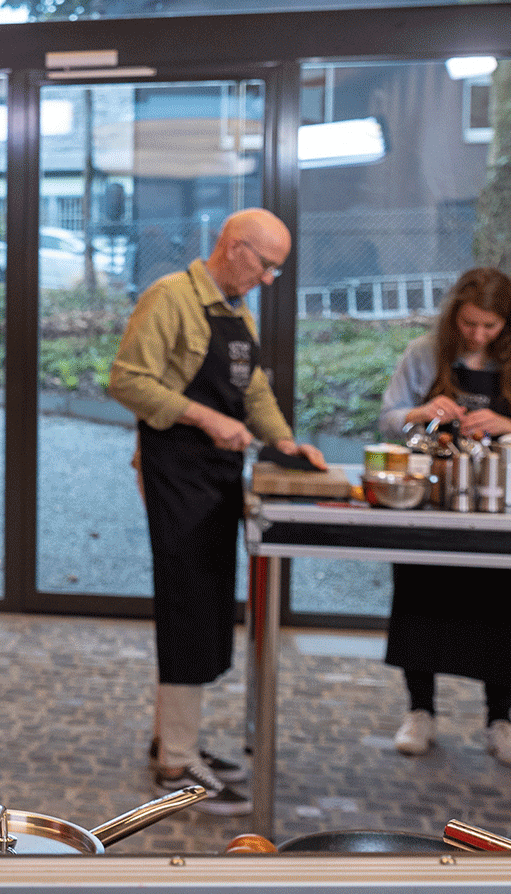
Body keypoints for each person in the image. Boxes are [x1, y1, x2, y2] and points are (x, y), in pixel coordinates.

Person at [107, 208, 325, 817]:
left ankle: (177, 739)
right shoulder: (170, 297)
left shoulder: (233, 310)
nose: (270, 278)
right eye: (266, 264)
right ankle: (174, 764)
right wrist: (204, 416)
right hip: (176, 472)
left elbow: (252, 390)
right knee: (186, 607)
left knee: (204, 608)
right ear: (233, 247)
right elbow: (126, 381)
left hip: (218, 479)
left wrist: (284, 443)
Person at [376, 267, 511, 767]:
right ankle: (420, 712)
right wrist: (417, 414)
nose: (478, 335)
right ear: (454, 314)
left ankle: (501, 720)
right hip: (436, 499)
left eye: (490, 327)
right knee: (421, 599)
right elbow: (388, 417)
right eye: (470, 324)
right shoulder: (423, 352)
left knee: (507, 609)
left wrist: (509, 425)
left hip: (502, 504)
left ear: (508, 325)